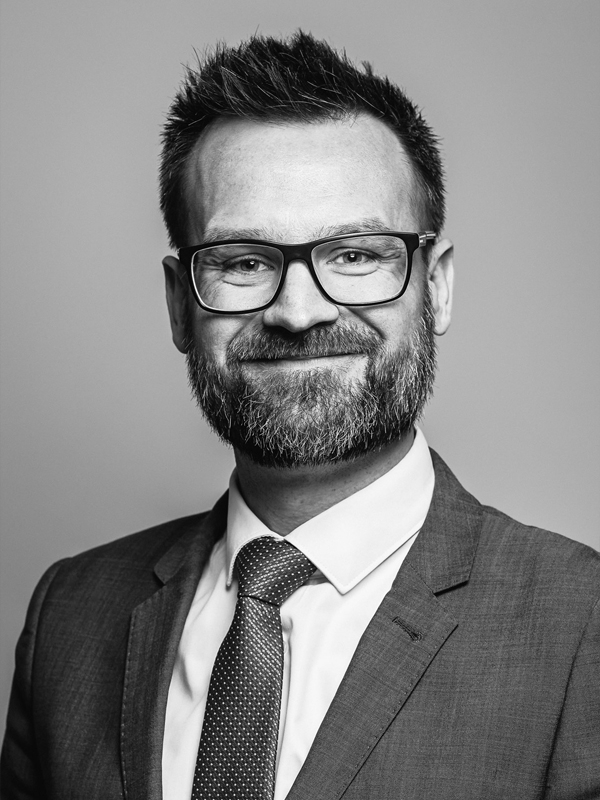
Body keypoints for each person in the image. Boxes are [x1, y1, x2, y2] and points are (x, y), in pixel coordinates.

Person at [1, 31, 599, 800]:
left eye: (355, 254)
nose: (298, 311)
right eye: (244, 262)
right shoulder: (69, 619)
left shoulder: (580, 625)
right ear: (180, 304)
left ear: (437, 287)